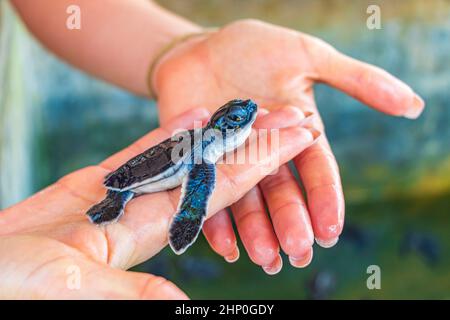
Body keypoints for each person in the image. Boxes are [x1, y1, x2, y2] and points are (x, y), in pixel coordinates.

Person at [1, 0, 424, 299]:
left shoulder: (207, 138)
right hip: (138, 176)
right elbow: (196, 183)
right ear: (226, 129)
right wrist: (187, 217)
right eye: (242, 120)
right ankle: (118, 197)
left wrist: (179, 51)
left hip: (159, 156)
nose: (250, 117)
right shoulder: (203, 156)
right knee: (188, 188)